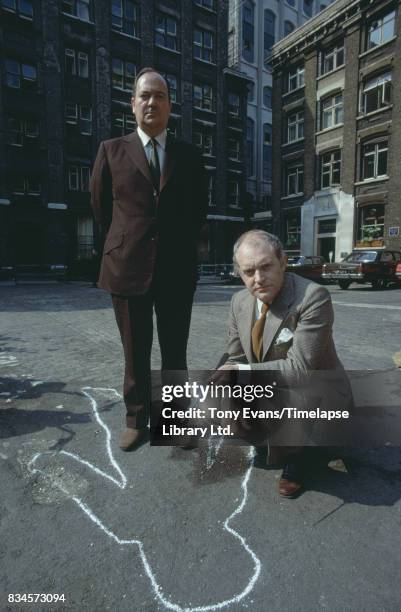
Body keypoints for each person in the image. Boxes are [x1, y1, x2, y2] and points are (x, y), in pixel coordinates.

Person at [90, 67, 207, 451]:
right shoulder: (111, 150)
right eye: (144, 96)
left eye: (159, 96)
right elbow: (101, 211)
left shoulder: (189, 156)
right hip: (127, 267)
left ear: (170, 105)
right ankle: (136, 419)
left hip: (176, 269)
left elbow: (198, 212)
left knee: (175, 350)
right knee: (134, 350)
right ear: (133, 104)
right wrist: (124, 245)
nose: (151, 102)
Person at [218, 230, 353, 498]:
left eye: (266, 266)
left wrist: (242, 374)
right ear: (239, 273)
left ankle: (301, 458)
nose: (258, 279)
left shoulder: (313, 297)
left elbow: (301, 370)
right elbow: (236, 356)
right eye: (248, 271)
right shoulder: (238, 301)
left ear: (283, 261)